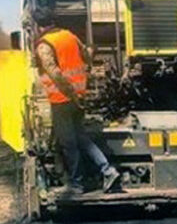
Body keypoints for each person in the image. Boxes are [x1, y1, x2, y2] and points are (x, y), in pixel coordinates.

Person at [33, 10, 119, 194]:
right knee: (81, 138)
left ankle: (76, 184)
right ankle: (107, 170)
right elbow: (87, 56)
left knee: (68, 143)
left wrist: (70, 92)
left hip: (62, 99)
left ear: (39, 26)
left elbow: (55, 73)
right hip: (79, 97)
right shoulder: (70, 36)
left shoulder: (44, 45)